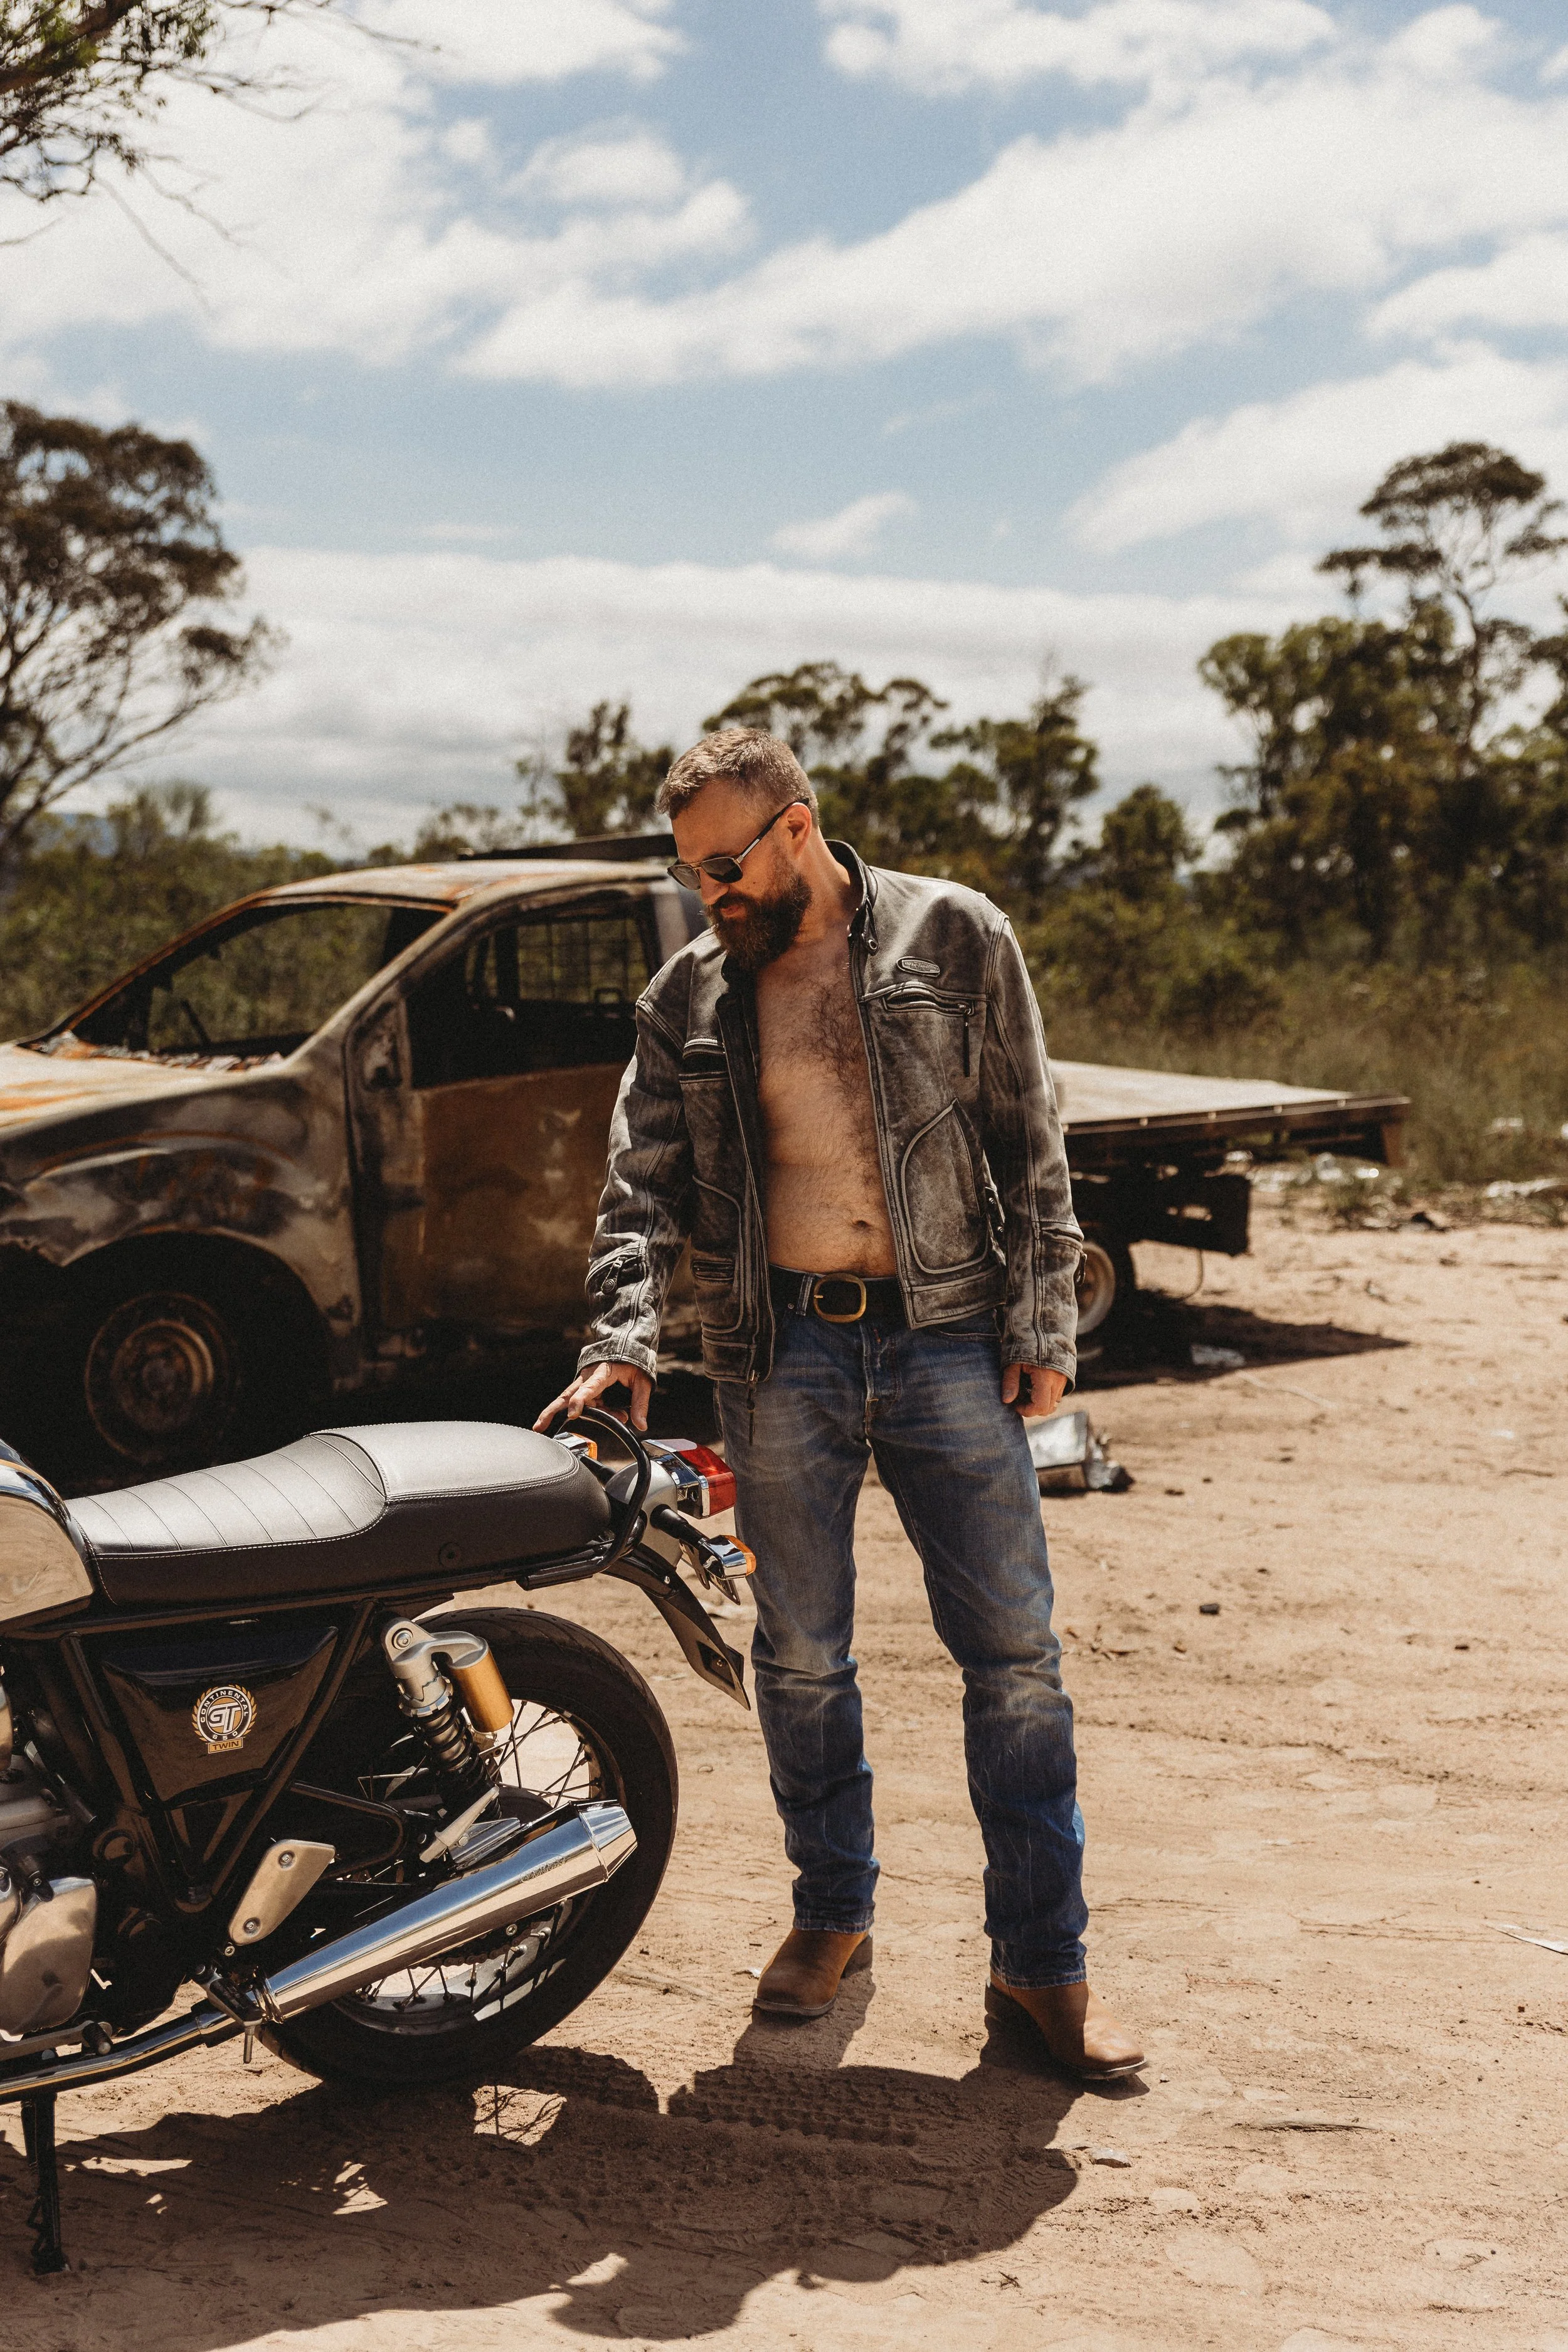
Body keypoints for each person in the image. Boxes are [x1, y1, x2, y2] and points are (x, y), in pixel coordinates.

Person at [538, 727, 1143, 2079]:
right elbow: (634, 1188)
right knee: (800, 1657)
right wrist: (625, 1339)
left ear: (797, 827)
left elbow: (1026, 1134)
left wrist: (1045, 1316)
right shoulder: (689, 992)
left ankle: (1041, 1967)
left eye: (729, 863)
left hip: (944, 1342)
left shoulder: (956, 936)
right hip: (778, 1352)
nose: (714, 893)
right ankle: (831, 1917)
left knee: (1014, 1660)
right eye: (694, 872)